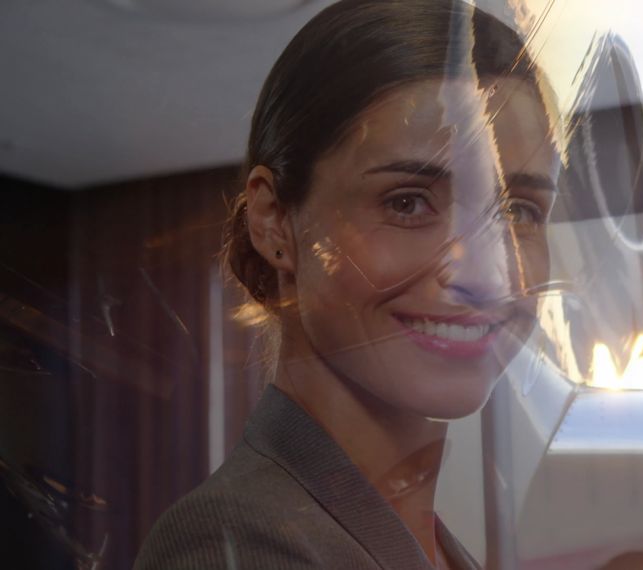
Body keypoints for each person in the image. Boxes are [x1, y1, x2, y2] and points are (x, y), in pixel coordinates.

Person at [135, 0, 560, 568]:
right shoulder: (231, 543)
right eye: (407, 202)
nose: (487, 275)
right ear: (273, 221)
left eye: (520, 212)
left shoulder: (422, 542)